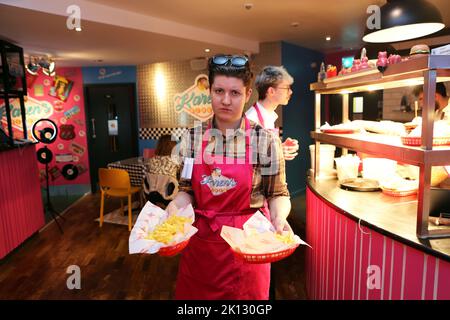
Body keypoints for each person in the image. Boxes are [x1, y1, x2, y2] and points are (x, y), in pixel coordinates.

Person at [167, 54, 291, 300]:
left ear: (247, 95)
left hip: (248, 248)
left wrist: (278, 217)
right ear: (210, 92)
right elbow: (187, 189)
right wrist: (174, 208)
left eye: (235, 93)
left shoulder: (265, 141)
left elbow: (278, 193)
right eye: (219, 91)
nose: (225, 100)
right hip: (202, 249)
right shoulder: (192, 139)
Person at [245, 65, 299, 160]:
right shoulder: (251, 119)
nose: (291, 92)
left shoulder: (269, 115)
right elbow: (246, 158)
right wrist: (277, 152)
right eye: (287, 88)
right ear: (271, 91)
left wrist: (280, 147)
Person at [142, 135, 180, 208]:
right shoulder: (176, 161)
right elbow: (181, 179)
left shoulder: (151, 160)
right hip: (168, 197)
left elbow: (146, 178)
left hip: (151, 196)